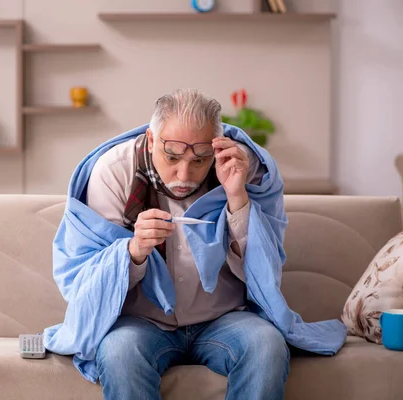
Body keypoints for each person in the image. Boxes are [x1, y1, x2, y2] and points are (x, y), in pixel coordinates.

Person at [85, 88, 289, 400]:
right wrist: (135, 250)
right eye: (172, 157)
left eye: (199, 160)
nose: (185, 174)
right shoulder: (114, 172)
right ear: (152, 140)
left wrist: (237, 198)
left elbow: (266, 272)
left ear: (216, 148)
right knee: (119, 353)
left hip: (223, 317)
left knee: (267, 345)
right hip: (141, 321)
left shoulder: (246, 172)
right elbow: (91, 277)